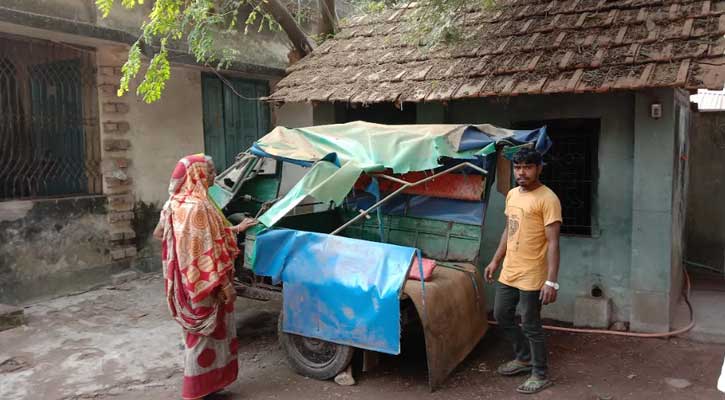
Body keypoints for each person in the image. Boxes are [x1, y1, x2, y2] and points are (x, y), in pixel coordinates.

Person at [154, 154, 257, 400]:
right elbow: (206, 251)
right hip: (204, 283)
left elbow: (161, 234)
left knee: (199, 337)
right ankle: (197, 392)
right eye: (210, 172)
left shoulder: (175, 203)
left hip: (184, 280)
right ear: (197, 175)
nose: (214, 176)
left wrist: (234, 230)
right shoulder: (198, 207)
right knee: (206, 337)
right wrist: (223, 283)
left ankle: (209, 387)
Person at [484, 147, 562, 395]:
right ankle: (523, 357)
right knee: (502, 314)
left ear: (539, 168)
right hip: (510, 269)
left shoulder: (548, 199)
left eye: (528, 167)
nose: (522, 172)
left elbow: (553, 243)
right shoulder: (512, 195)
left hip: (532, 273)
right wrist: (496, 260)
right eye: (518, 167)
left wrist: (551, 282)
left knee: (530, 323)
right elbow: (510, 229)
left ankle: (540, 373)